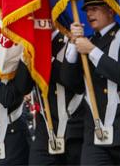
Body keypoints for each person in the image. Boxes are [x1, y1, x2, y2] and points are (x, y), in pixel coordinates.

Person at [61, 0, 120, 165]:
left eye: (95, 9)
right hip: (95, 134)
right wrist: (73, 45)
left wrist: (92, 51)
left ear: (110, 11)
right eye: (87, 10)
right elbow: (70, 82)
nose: (89, 14)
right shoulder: (88, 41)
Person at [29, 30, 85, 165]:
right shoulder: (31, 46)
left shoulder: (70, 42)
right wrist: (25, 53)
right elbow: (21, 87)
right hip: (46, 129)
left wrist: (45, 62)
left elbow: (75, 83)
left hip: (74, 127)